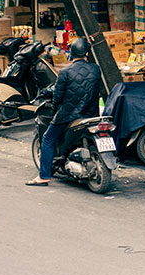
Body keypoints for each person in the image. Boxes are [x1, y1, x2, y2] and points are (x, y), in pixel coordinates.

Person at [25, 38, 101, 186]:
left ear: (71, 54)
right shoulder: (95, 69)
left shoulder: (65, 72)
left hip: (69, 115)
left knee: (47, 139)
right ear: (86, 52)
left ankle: (44, 176)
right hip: (91, 114)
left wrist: (56, 112)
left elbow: (58, 97)